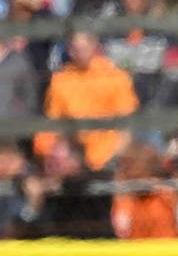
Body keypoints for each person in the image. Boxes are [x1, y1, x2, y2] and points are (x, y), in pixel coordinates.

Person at [37, 31, 140, 172]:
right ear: (69, 49)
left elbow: (127, 126)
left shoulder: (115, 77)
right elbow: (53, 126)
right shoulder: (60, 80)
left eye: (84, 48)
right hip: (73, 162)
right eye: (75, 48)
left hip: (110, 158)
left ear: (95, 46)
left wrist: (114, 157)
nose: (79, 53)